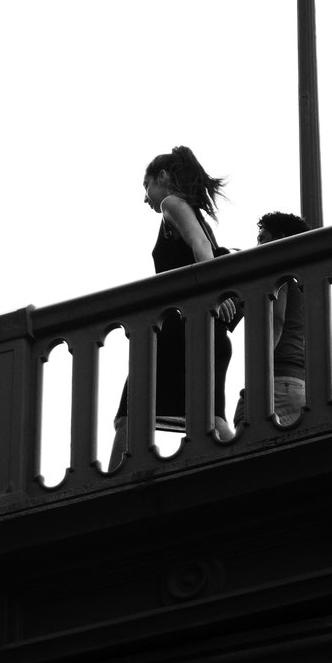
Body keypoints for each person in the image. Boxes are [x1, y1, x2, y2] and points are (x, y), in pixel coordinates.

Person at [115, 146, 237, 463]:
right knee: (211, 417)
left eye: (147, 185)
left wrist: (213, 293)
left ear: (164, 178)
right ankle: (244, 462)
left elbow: (200, 247)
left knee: (131, 410)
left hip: (179, 330)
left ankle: (112, 485)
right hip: (206, 333)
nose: (146, 197)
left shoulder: (172, 203)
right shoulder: (192, 213)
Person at [239, 211, 311, 428]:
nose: (257, 246)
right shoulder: (304, 280)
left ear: (279, 238)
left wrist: (257, 374)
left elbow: (276, 320)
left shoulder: (279, 273)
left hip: (278, 381)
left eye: (262, 239)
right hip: (299, 383)